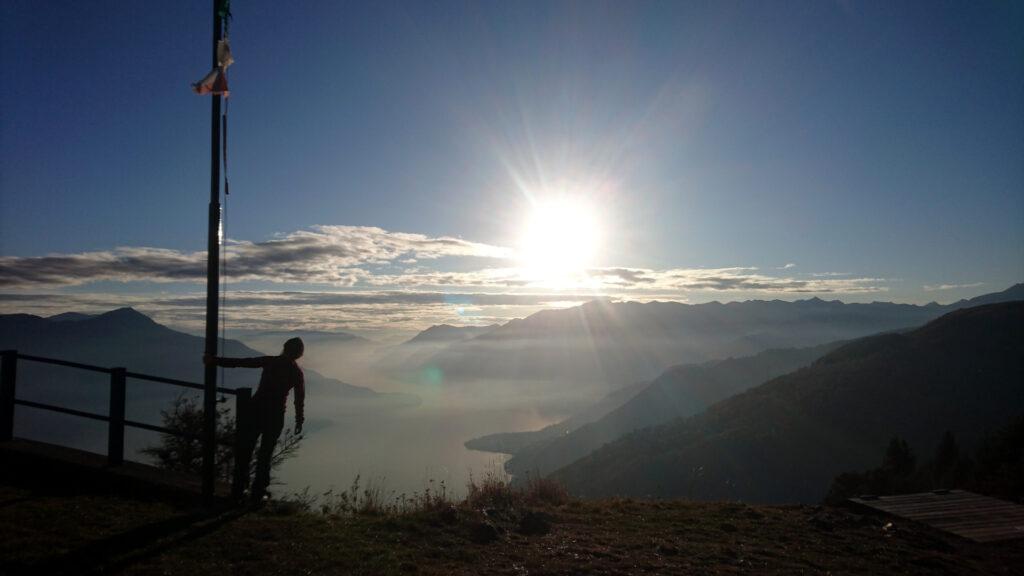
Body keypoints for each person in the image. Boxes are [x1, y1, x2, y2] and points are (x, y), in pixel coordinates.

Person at [205, 337, 305, 503]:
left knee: (245, 450)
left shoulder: (270, 361)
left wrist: (214, 361)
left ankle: (238, 489)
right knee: (265, 454)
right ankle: (258, 492)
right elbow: (299, 398)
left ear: (284, 348)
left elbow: (243, 362)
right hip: (275, 416)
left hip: (255, 410)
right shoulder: (296, 372)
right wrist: (299, 419)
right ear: (299, 353)